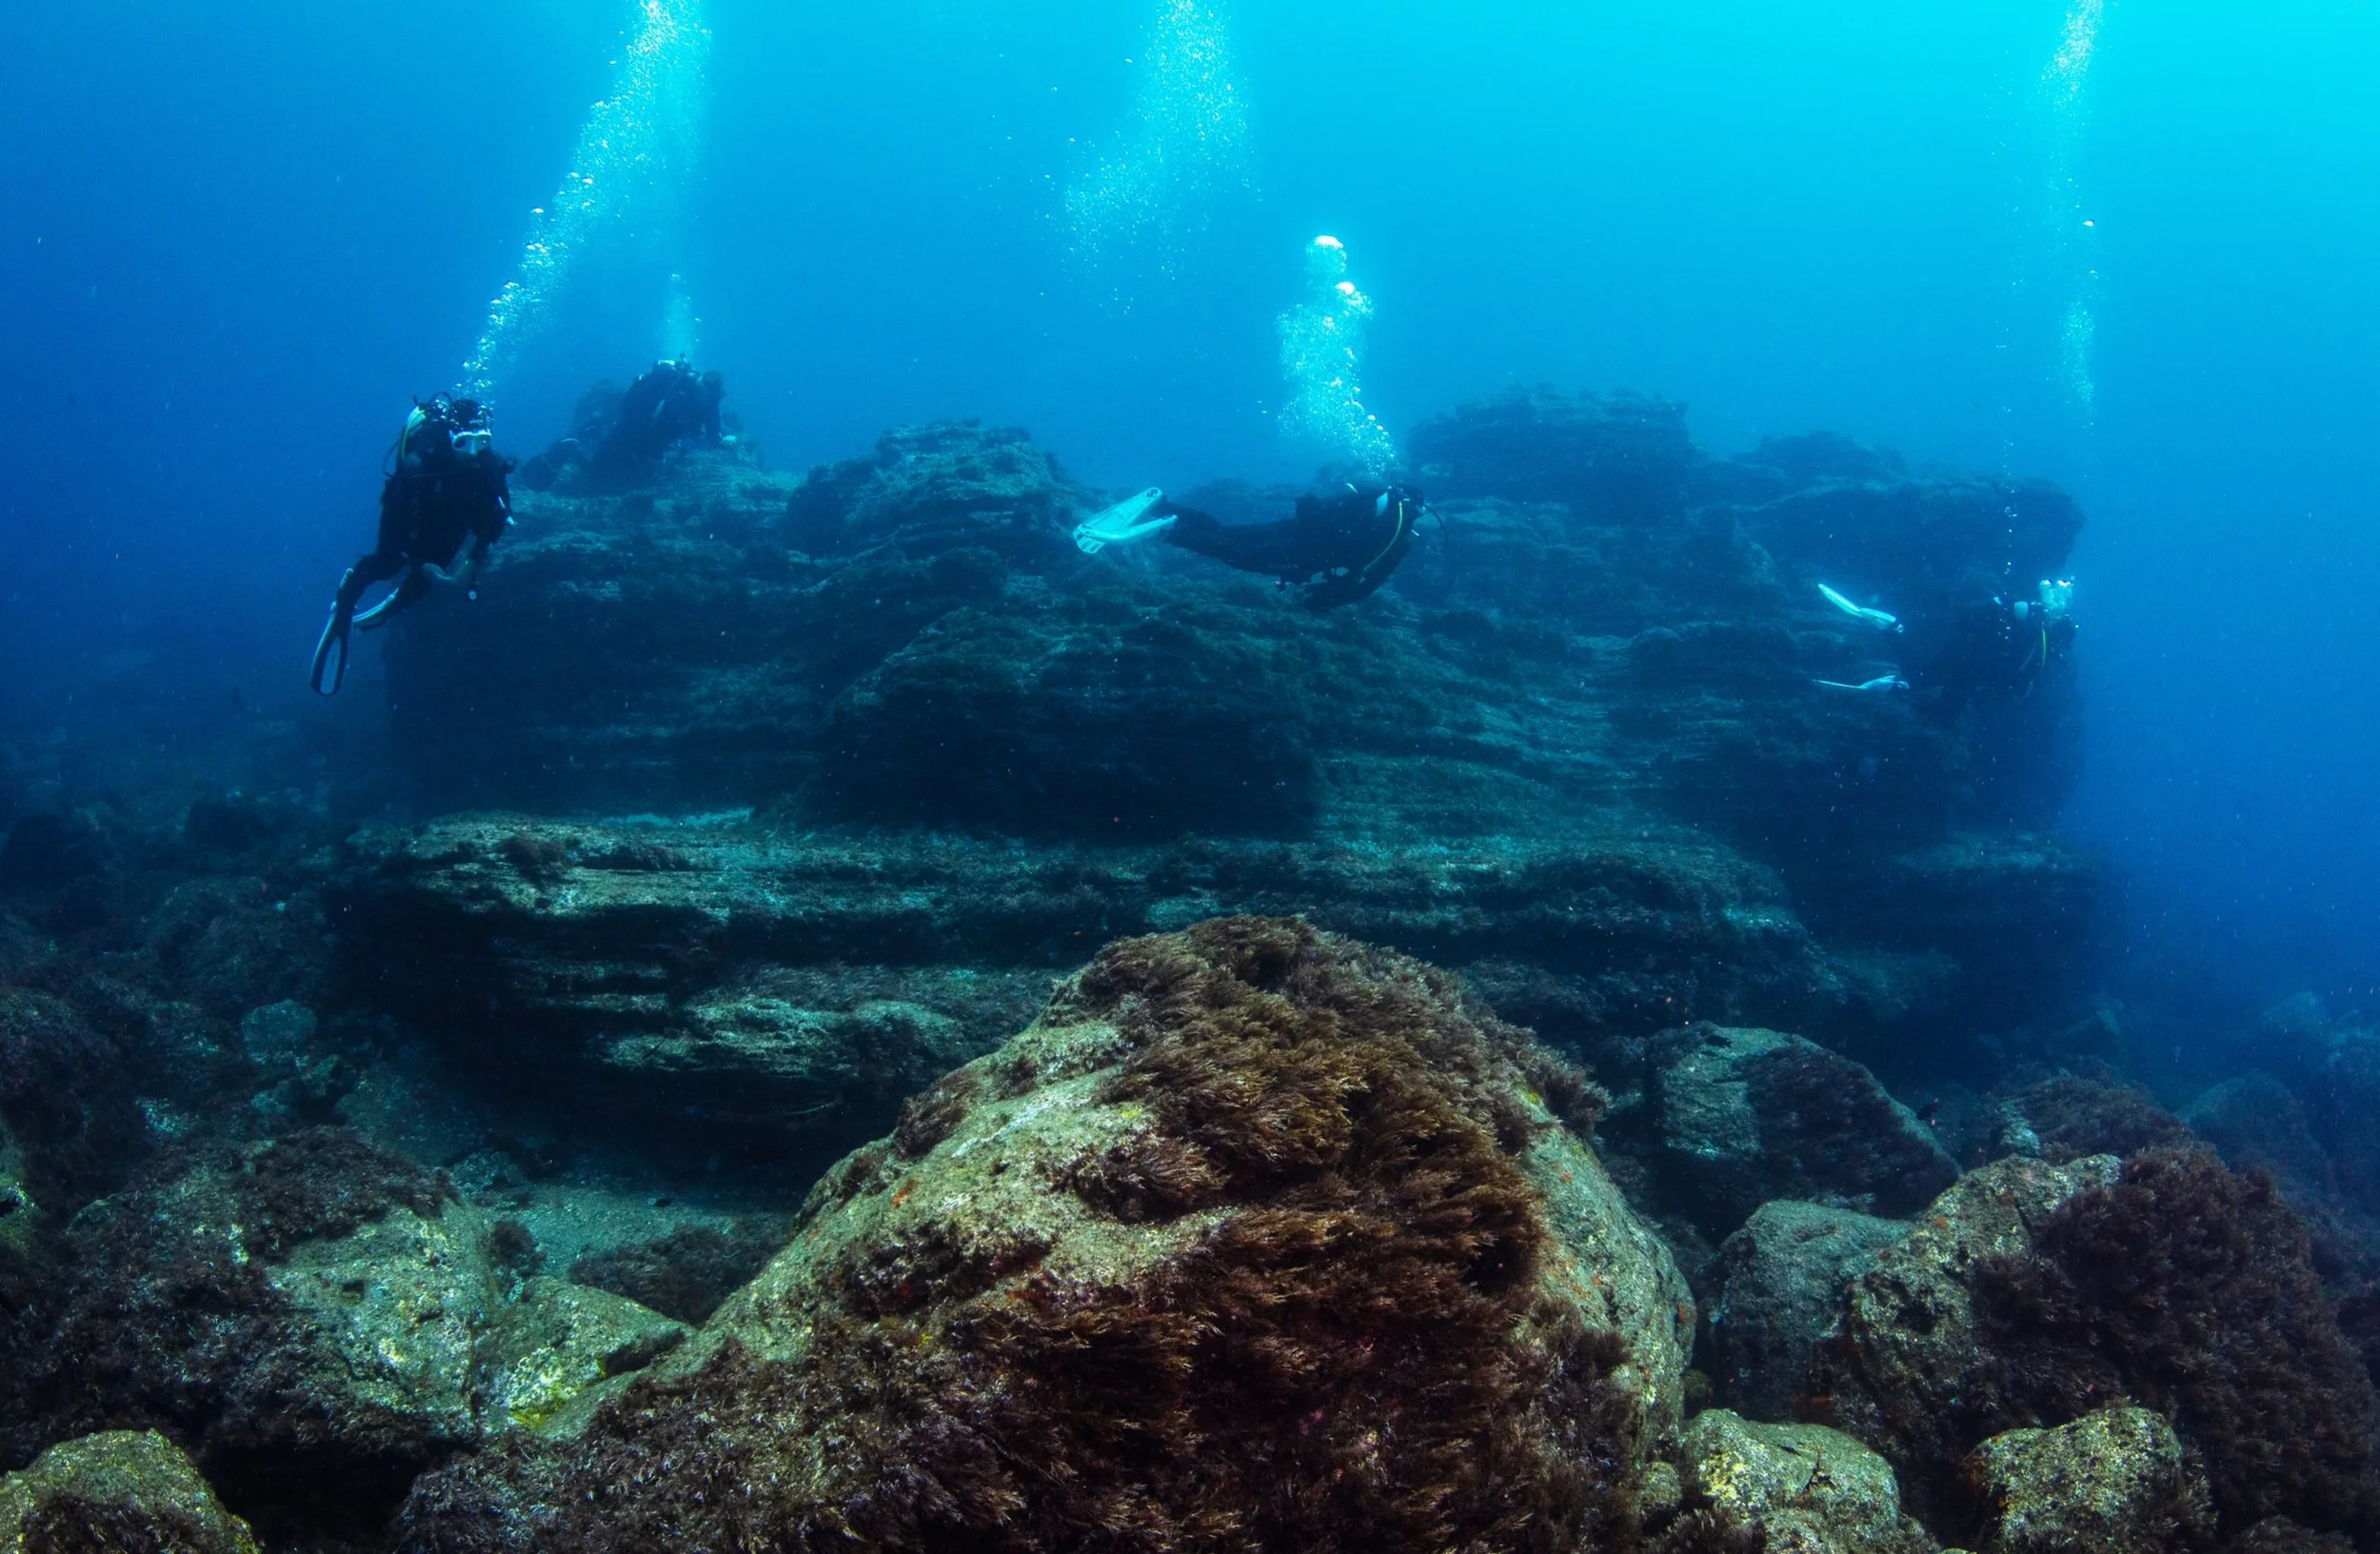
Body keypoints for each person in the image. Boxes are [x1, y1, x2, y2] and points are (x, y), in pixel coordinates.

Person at [308, 395, 515, 695]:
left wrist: (473, 557)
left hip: (450, 522)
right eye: (463, 443)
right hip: (411, 521)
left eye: (480, 442)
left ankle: (391, 606)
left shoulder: (489, 466)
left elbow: (497, 519)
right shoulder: (420, 463)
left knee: (429, 585)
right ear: (450, 438)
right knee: (386, 563)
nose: (472, 452)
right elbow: (393, 529)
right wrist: (418, 561)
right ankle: (344, 603)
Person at [1074, 483, 1427, 609]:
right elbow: (1363, 587)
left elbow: (1322, 508)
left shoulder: (1374, 497)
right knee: (1233, 554)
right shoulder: (1398, 539)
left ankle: (1162, 505)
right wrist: (1324, 599)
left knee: (1227, 533)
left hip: (1290, 530)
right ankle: (1163, 529)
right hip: (1301, 556)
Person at [520, 358, 725, 492]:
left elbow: (684, 431)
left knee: (618, 473)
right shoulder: (704, 404)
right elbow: (691, 435)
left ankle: (596, 430)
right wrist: (681, 455)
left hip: (633, 430)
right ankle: (571, 446)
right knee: (598, 474)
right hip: (641, 437)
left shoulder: (682, 393)